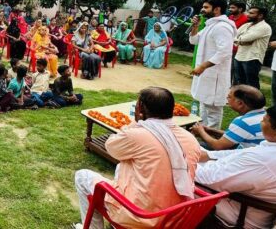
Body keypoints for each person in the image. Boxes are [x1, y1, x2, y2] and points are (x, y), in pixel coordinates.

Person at [74, 87, 200, 229]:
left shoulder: (137, 135)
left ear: (140, 108)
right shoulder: (191, 140)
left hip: (140, 216)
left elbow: (111, 147)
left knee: (82, 176)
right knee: (125, 165)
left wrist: (136, 122)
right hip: (175, 217)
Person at [195, 105, 276, 229]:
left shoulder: (265, 161)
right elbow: (243, 153)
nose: (260, 122)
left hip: (238, 215)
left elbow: (208, 179)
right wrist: (208, 155)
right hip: (253, 202)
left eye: (264, 120)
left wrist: (184, 162)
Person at [190, 0, 237, 129]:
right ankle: (202, 133)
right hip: (206, 73)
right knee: (203, 104)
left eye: (206, 7)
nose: (202, 10)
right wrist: (195, 26)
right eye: (203, 7)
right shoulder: (210, 25)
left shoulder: (223, 27)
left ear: (217, 9)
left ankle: (212, 136)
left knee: (213, 108)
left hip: (214, 74)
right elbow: (194, 40)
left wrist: (203, 66)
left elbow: (225, 52)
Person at [190, 85, 266, 150]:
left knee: (194, 147)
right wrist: (211, 130)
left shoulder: (243, 122)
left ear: (240, 104)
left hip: (245, 158)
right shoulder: (265, 116)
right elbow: (235, 135)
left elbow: (218, 146)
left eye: (229, 97)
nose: (227, 99)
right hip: (256, 154)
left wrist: (201, 131)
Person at [233, 6, 271, 89]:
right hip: (239, 56)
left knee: (251, 83)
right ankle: (242, 100)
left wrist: (240, 40)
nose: (248, 15)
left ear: (260, 15)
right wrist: (240, 41)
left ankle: (253, 101)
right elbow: (234, 35)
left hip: (252, 58)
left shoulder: (264, 27)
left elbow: (245, 38)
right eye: (248, 12)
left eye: (251, 13)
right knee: (240, 82)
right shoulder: (247, 25)